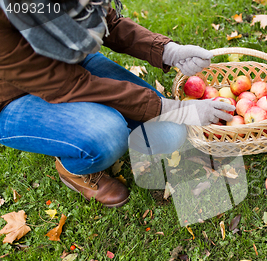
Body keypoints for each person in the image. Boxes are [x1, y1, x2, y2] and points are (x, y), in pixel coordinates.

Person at [0, 0, 234, 207]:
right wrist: (174, 109)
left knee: (169, 133)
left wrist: (167, 51)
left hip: (69, 62)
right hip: (14, 94)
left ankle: (81, 124)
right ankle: (74, 168)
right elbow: (69, 85)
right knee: (108, 135)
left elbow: (107, 22)